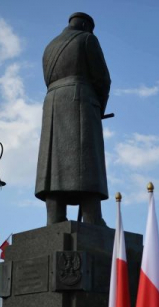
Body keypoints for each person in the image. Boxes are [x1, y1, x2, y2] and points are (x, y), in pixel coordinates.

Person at [36, 12, 111, 226]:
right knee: (87, 162)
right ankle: (92, 218)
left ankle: (54, 217)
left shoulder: (49, 47)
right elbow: (103, 80)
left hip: (52, 104)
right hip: (81, 101)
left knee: (53, 164)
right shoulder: (88, 39)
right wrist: (99, 110)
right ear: (87, 25)